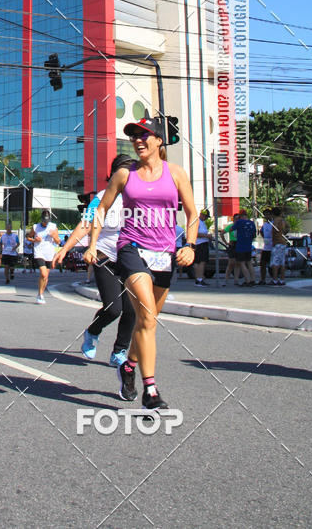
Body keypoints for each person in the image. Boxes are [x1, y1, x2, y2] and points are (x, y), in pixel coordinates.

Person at [85, 115, 198, 411]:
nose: (137, 140)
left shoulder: (176, 173)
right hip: (131, 248)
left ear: (159, 140)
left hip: (164, 253)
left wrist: (190, 245)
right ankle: (151, 389)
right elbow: (101, 208)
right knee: (146, 316)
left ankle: (128, 365)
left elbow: (192, 212)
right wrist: (93, 243)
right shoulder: (124, 174)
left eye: (143, 135)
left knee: (149, 322)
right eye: (133, 136)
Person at [52, 156, 136, 366]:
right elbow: (86, 224)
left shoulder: (137, 198)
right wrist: (66, 247)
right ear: (115, 175)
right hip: (104, 256)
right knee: (113, 308)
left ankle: (119, 350)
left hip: (130, 258)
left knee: (132, 309)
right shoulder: (101, 197)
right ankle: (93, 331)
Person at [27, 210, 60, 304]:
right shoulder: (35, 227)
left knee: (45, 277)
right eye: (44, 221)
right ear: (41, 219)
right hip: (39, 253)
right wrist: (34, 240)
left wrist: (54, 236)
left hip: (49, 253)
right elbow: (28, 237)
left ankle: (40, 293)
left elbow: (58, 242)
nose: (45, 223)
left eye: (47, 221)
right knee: (44, 273)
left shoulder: (53, 227)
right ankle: (40, 295)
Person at [234, 210, 257, 286]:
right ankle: (253, 279)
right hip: (248, 245)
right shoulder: (252, 223)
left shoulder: (239, 222)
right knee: (249, 263)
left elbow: (231, 229)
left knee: (242, 263)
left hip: (240, 246)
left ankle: (247, 280)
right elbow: (254, 235)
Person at [270, 207, 287, 286]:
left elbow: (274, 231)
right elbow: (287, 229)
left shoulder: (275, 221)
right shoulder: (283, 220)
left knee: (275, 262)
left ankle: (275, 279)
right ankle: (282, 279)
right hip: (283, 242)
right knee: (282, 262)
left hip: (277, 243)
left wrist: (273, 240)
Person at [193, 209, 211, 286]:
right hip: (200, 244)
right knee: (201, 262)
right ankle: (199, 279)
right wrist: (207, 236)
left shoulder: (202, 223)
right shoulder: (198, 222)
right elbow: (195, 233)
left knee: (198, 262)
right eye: (206, 216)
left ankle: (198, 278)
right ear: (202, 215)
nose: (206, 218)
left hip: (202, 243)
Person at [259, 210, 274, 285]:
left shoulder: (274, 223)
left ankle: (274, 278)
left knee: (272, 264)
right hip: (266, 247)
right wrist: (264, 237)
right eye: (265, 215)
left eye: (268, 214)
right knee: (263, 263)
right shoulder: (264, 224)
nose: (267, 216)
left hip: (273, 247)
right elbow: (261, 231)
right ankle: (263, 279)